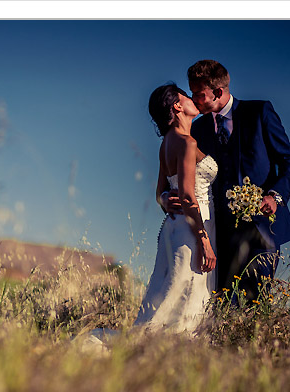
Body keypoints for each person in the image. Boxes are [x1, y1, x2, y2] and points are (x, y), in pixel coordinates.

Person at [81, 83, 218, 350]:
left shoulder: (166, 143)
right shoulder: (187, 143)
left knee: (169, 293)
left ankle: (155, 351)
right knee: (183, 295)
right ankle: (164, 353)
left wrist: (166, 200)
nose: (193, 100)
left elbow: (160, 193)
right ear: (177, 106)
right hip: (192, 229)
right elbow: (189, 197)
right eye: (186, 96)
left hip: (173, 228)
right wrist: (204, 240)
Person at [161, 60, 290, 302]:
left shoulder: (259, 112)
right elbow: (175, 174)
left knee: (255, 302)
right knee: (221, 305)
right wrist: (164, 197)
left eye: (198, 94)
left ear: (218, 92)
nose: (194, 100)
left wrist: (275, 196)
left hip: (261, 228)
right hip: (218, 234)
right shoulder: (197, 128)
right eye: (191, 94)